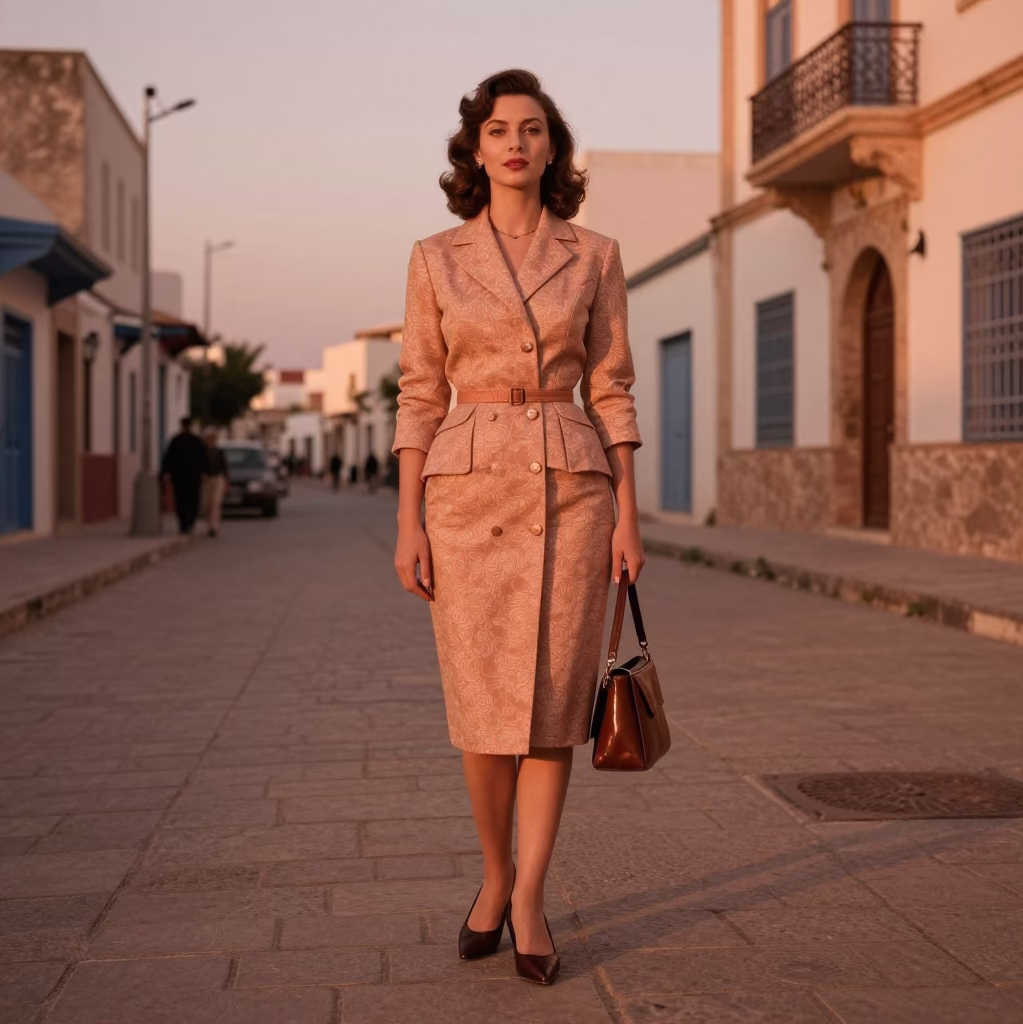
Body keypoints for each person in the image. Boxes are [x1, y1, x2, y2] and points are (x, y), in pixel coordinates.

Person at [392, 69, 645, 986]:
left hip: (571, 490)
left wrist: (629, 514)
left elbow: (611, 386)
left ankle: (530, 895)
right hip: (464, 497)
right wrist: (407, 520)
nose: (515, 143)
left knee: (549, 711)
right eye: (498, 129)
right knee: (481, 714)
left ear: (551, 148)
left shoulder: (595, 254)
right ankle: (493, 873)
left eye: (532, 129)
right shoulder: (434, 257)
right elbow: (419, 393)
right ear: (476, 148)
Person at [160, 416, 208, 535]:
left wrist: (166, 472)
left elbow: (202, 458)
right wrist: (166, 472)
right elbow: (169, 458)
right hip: (184, 476)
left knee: (187, 500)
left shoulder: (189, 441)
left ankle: (187, 523)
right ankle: (185, 524)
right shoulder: (182, 441)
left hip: (187, 476)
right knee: (184, 500)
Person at [202, 429, 227, 537]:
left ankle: (214, 526)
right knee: (207, 503)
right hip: (206, 480)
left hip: (218, 478)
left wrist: (226, 479)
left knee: (215, 503)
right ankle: (208, 524)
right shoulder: (203, 452)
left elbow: (224, 467)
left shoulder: (219, 452)